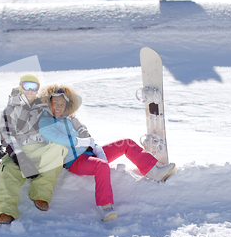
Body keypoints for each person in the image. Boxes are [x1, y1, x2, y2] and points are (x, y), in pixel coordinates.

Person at [37, 84, 176, 221]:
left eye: (62, 104)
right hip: (75, 161)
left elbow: (89, 139)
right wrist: (81, 142)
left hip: (91, 154)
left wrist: (97, 148)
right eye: (56, 103)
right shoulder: (45, 122)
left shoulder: (70, 121)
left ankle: (153, 171)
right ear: (48, 103)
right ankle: (105, 206)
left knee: (126, 143)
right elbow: (59, 139)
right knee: (101, 165)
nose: (59, 107)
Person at [0, 74, 68, 225]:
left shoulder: (43, 107)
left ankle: (40, 193)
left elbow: (56, 124)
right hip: (17, 151)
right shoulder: (10, 109)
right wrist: (19, 157)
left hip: (39, 150)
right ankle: (6, 210)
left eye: (34, 87)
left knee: (59, 149)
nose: (30, 90)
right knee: (8, 170)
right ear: (20, 86)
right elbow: (7, 135)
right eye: (26, 86)